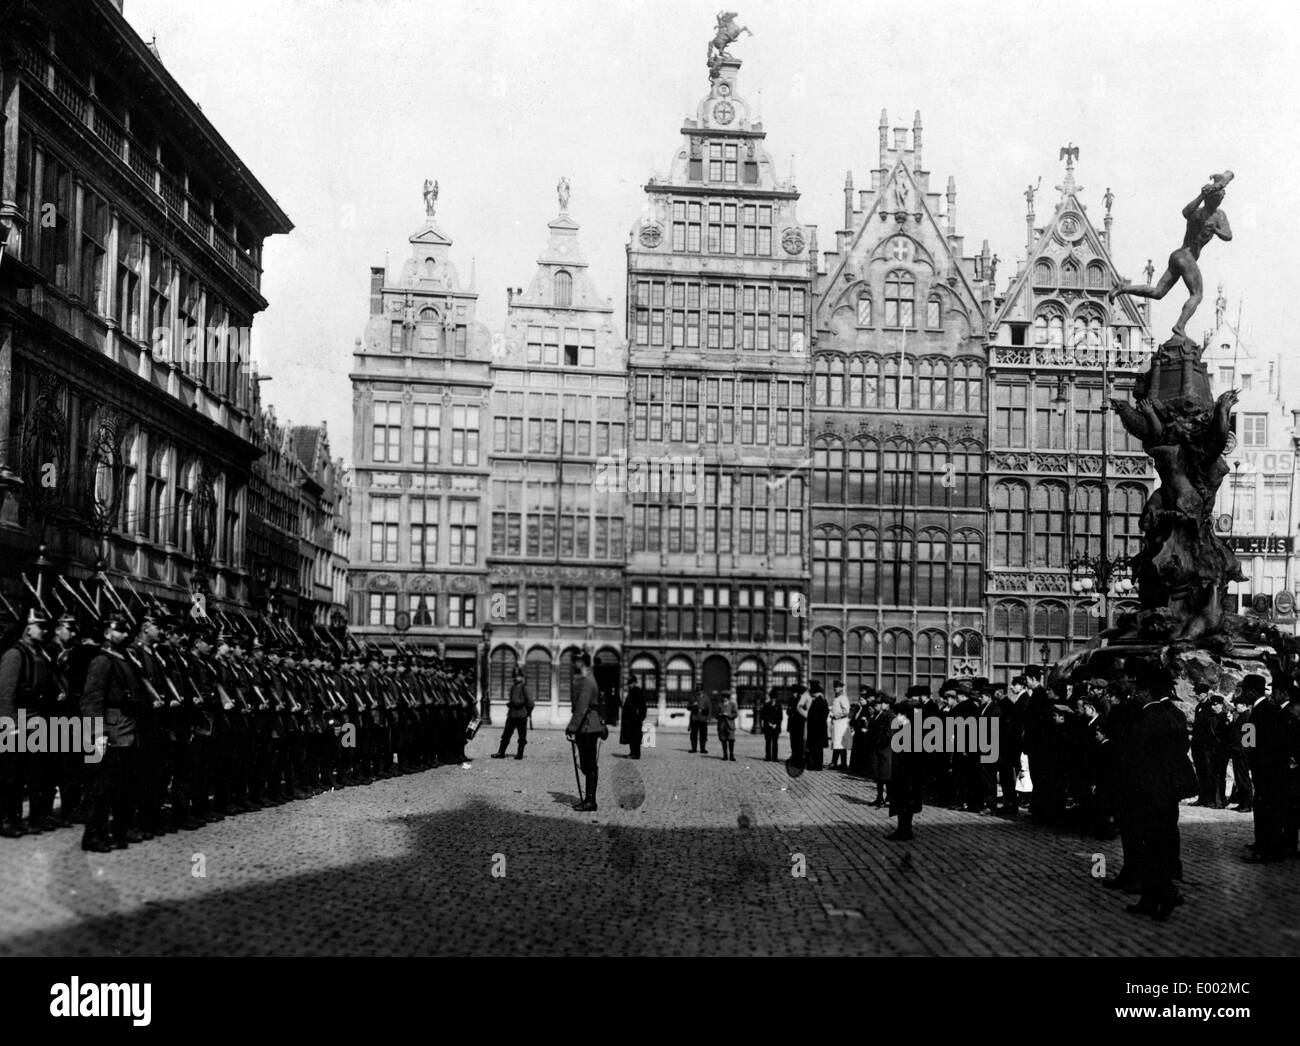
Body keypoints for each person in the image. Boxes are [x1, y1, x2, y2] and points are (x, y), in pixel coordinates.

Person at [1124, 659, 1197, 919]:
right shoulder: (1173, 715)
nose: (1135, 694)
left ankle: (1164, 893)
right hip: (1168, 791)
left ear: (1147, 692)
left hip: (1150, 792)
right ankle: (1153, 896)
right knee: (1161, 843)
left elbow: (1138, 759)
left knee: (1151, 844)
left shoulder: (1147, 719)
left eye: (1139, 690)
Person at [80, 613, 146, 852]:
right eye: (120, 630)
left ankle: (117, 832)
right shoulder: (102, 660)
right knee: (99, 787)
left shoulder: (122, 657)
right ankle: (93, 836)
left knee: (121, 786)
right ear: (108, 633)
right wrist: (96, 735)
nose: (126, 634)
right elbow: (91, 700)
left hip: (125, 730)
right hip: (107, 731)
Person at [0, 609, 57, 837]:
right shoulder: (15, 655)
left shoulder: (39, 653)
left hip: (35, 719)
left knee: (31, 773)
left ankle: (26, 819)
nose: (44, 631)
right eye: (40, 626)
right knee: (10, 774)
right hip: (16, 720)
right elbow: (5, 694)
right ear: (27, 628)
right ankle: (6, 820)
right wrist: (9, 725)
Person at [1242, 673, 1288, 863]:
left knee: (1265, 809)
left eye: (1245, 690)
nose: (1243, 694)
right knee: (1267, 808)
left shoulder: (1262, 711)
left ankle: (1266, 849)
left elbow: (1252, 742)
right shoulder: (1265, 709)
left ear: (1253, 691)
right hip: (1267, 769)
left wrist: (1250, 755)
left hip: (1265, 770)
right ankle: (1266, 846)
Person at [565, 651, 606, 812]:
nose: (574, 664)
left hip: (588, 726)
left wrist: (571, 727)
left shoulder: (588, 681)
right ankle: (590, 799)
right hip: (586, 726)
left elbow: (582, 706)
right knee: (587, 764)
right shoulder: (585, 679)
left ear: (582, 662)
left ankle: (590, 801)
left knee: (589, 765)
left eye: (576, 661)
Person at [887, 696, 923, 840]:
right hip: (903, 773)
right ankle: (902, 829)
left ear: (905, 715)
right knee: (902, 803)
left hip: (907, 774)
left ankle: (905, 831)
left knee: (905, 804)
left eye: (899, 714)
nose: (897, 717)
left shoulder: (910, 731)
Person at [492, 667, 533, 760]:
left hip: (521, 715)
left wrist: (527, 713)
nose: (516, 678)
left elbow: (531, 703)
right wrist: (510, 704)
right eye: (514, 676)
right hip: (512, 715)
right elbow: (514, 700)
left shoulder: (524, 688)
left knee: (522, 736)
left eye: (518, 676)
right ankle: (501, 752)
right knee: (506, 734)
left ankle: (520, 754)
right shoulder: (513, 687)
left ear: (522, 677)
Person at [1228, 691, 1254, 813]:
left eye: (1237, 704)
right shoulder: (1241, 717)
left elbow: (1249, 738)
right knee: (1239, 779)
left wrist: (1243, 752)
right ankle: (1242, 802)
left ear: (1244, 705)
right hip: (1238, 752)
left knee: (1244, 779)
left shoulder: (1247, 716)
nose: (1235, 706)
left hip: (1242, 753)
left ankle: (1247, 804)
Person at [869, 693, 894, 806]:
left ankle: (888, 798)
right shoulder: (884, 715)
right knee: (880, 775)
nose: (881, 704)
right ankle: (880, 798)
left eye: (883, 703)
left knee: (886, 775)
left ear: (888, 704)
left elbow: (889, 734)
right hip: (881, 749)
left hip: (886, 749)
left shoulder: (890, 716)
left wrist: (879, 742)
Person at [847, 687, 873, 776]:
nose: (861, 701)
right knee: (855, 751)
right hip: (858, 733)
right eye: (860, 700)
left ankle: (861, 769)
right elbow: (853, 720)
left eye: (862, 700)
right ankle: (854, 769)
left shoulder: (868, 709)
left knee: (862, 752)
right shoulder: (858, 708)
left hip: (863, 734)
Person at [805, 681, 829, 771]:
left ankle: (817, 765)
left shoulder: (820, 701)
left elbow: (822, 716)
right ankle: (815, 764)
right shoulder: (818, 701)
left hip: (818, 729)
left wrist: (814, 723)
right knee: (815, 747)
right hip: (816, 728)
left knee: (817, 748)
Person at [620, 683, 647, 759]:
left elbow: (642, 706)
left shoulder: (637, 692)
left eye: (630, 684)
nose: (629, 685)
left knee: (635, 737)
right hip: (631, 719)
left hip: (635, 720)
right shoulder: (632, 692)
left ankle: (636, 754)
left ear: (634, 683)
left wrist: (640, 718)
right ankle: (633, 753)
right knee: (632, 737)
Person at [829, 680, 850, 769]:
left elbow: (846, 711)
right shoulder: (836, 698)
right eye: (834, 687)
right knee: (837, 743)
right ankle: (836, 762)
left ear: (841, 688)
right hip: (837, 723)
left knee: (841, 744)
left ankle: (842, 763)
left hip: (841, 723)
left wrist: (836, 715)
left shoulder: (843, 698)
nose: (835, 689)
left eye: (837, 687)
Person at [787, 685, 809, 767]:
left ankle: (799, 760)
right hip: (792, 725)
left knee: (799, 743)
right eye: (793, 692)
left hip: (799, 725)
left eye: (795, 692)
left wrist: (793, 712)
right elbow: (788, 711)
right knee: (793, 742)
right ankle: (794, 758)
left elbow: (801, 712)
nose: (793, 694)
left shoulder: (801, 701)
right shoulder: (791, 700)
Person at [760, 689, 783, 762]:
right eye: (772, 698)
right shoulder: (766, 705)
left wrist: (776, 724)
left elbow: (780, 716)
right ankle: (768, 757)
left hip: (776, 727)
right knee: (768, 742)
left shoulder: (779, 706)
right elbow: (763, 715)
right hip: (768, 727)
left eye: (774, 698)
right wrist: (769, 723)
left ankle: (775, 757)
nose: (773, 700)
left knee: (775, 742)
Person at [716, 689, 738, 761]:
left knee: (731, 740)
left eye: (726, 697)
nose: (724, 698)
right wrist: (720, 714)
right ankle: (725, 755)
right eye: (723, 697)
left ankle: (731, 755)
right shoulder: (719, 705)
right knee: (723, 740)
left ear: (728, 698)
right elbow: (716, 715)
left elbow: (735, 714)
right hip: (722, 725)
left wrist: (728, 715)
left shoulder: (732, 704)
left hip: (730, 725)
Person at [689, 689, 711, 754]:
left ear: (703, 691)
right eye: (698, 690)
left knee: (703, 734)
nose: (699, 692)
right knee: (693, 734)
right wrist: (693, 705)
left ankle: (703, 749)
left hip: (703, 719)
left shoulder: (706, 698)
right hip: (694, 718)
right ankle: (694, 749)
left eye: (701, 690)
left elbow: (709, 708)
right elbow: (688, 707)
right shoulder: (693, 698)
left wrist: (708, 718)